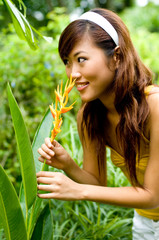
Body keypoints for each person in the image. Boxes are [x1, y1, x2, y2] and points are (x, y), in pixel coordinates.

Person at [36, 8, 159, 239]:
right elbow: (97, 182)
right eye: (67, 61)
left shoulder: (155, 106)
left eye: (81, 59)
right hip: (144, 222)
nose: (72, 73)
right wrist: (68, 165)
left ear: (117, 56)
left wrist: (77, 190)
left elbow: (153, 195)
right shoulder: (90, 117)